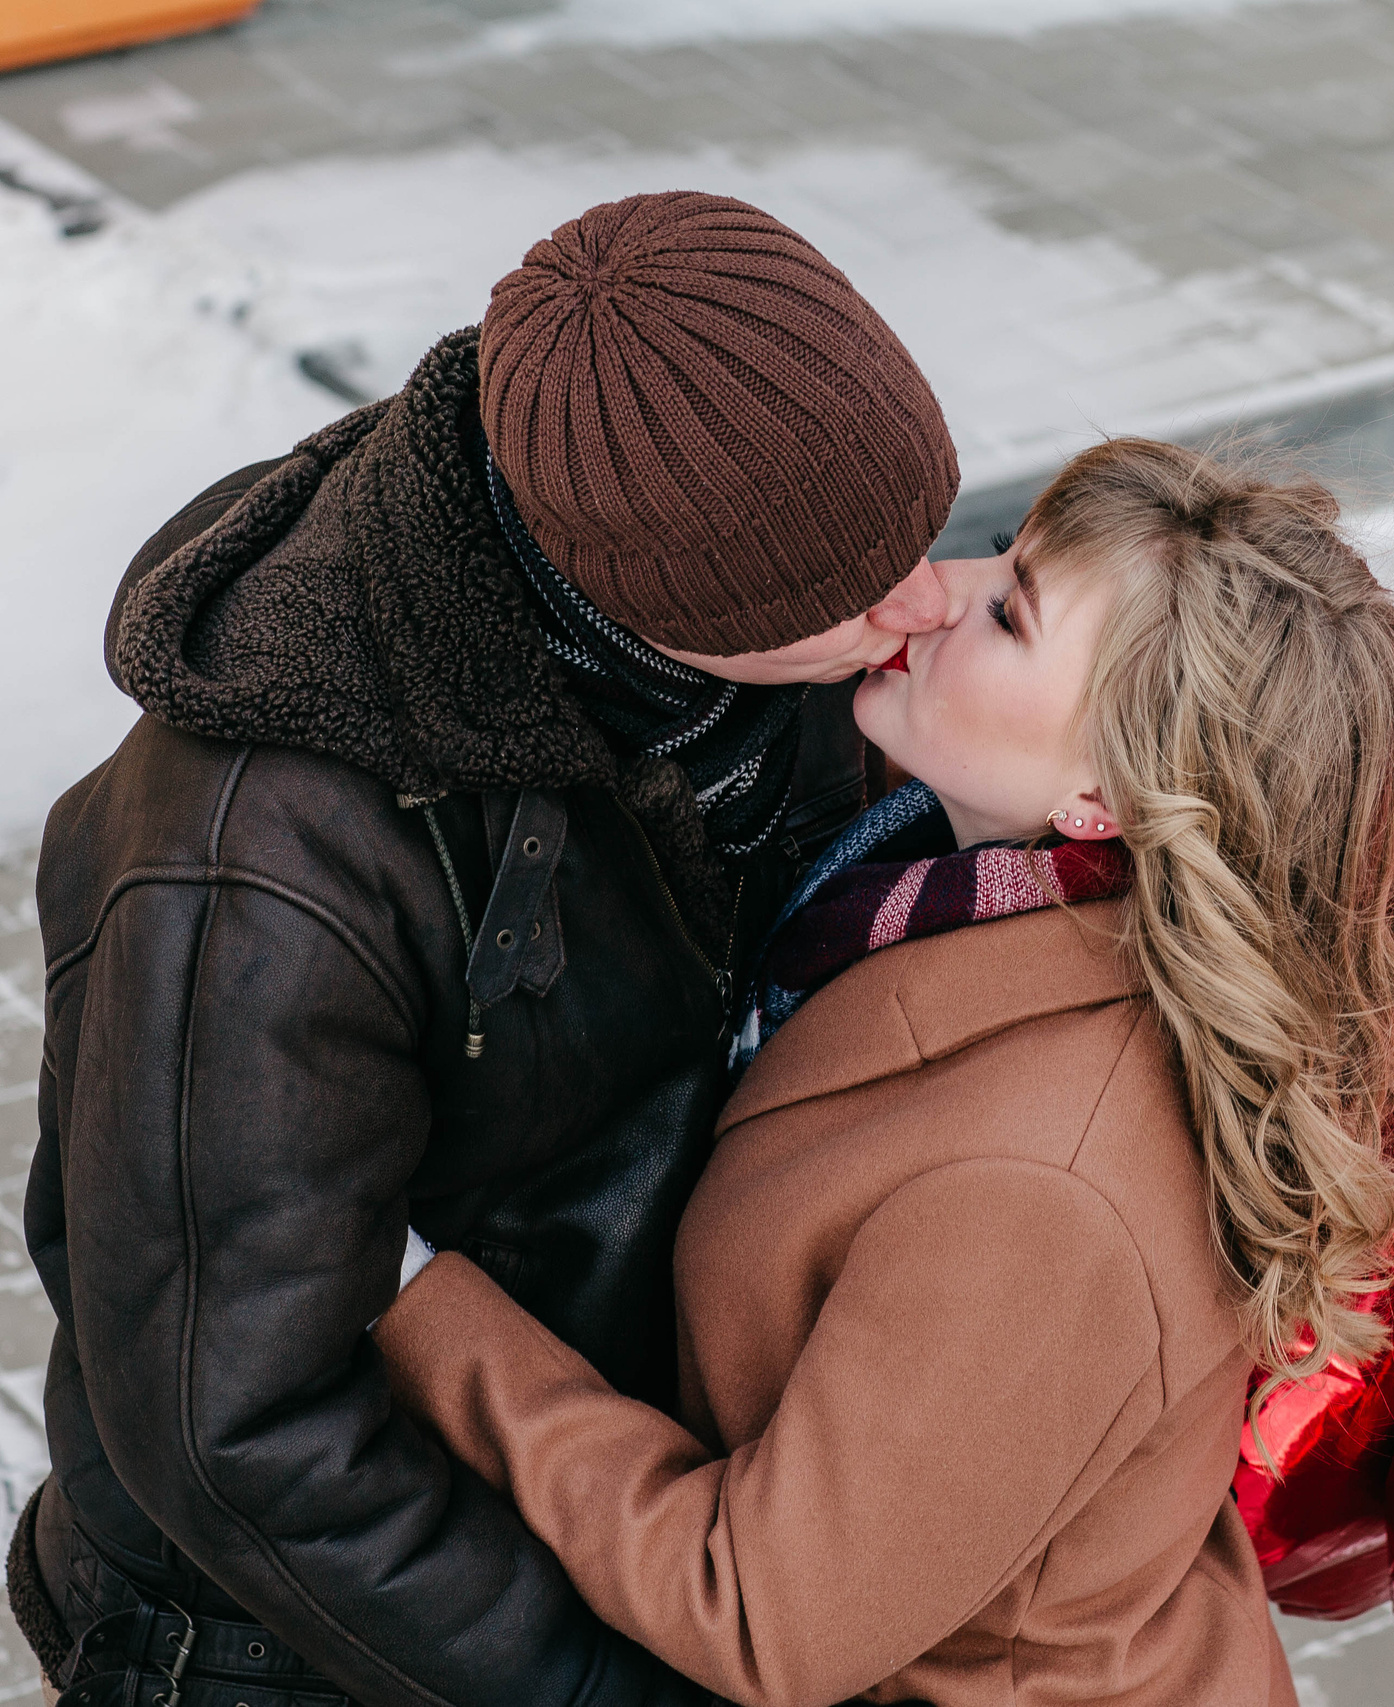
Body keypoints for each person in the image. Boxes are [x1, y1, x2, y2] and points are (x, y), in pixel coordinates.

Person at [15, 191, 960, 1707]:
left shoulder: (711, 592)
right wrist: (606, 1685)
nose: (923, 604)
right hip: (325, 1642)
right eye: (851, 590)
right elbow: (239, 1430)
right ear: (645, 594)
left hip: (638, 1516)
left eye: (921, 532)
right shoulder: (252, 870)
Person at [369, 438, 1394, 1707]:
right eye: (1002, 545)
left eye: (1009, 612)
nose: (935, 589)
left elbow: (765, 1615)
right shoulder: (941, 882)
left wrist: (415, 1294)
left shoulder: (1046, 1192)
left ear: (1108, 791)